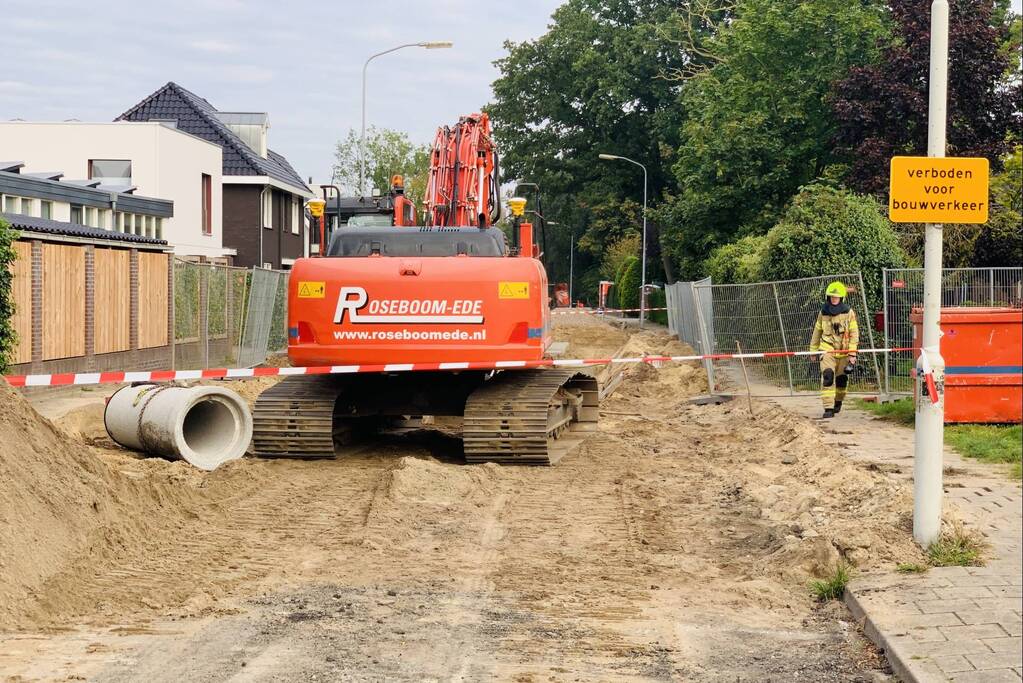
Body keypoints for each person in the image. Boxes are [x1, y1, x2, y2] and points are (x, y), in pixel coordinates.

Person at [809, 281, 859, 418]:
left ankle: (838, 401)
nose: (834, 299)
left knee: (842, 380)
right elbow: (817, 331)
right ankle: (828, 408)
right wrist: (813, 350)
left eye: (836, 297)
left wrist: (852, 353)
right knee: (828, 376)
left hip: (844, 350)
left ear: (841, 298)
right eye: (832, 297)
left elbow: (854, 333)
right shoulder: (823, 312)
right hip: (827, 349)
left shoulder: (849, 312)